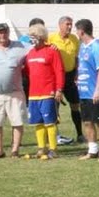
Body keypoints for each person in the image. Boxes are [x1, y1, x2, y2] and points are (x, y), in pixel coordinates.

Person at [24, 24, 64, 159]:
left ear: (41, 37)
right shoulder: (29, 53)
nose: (31, 39)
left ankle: (53, 149)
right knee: (38, 122)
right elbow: (26, 71)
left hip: (48, 92)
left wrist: (59, 89)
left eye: (33, 36)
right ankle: (42, 148)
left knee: (49, 122)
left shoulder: (52, 51)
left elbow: (59, 71)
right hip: (33, 94)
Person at [74, 19, 99, 161]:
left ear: (81, 31)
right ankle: (93, 150)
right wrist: (78, 77)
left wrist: (97, 90)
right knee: (87, 121)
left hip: (96, 92)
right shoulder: (82, 46)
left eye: (77, 30)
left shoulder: (97, 46)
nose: (76, 33)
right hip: (84, 92)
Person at [49, 15, 83, 144]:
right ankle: (55, 137)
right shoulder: (51, 38)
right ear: (60, 25)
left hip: (70, 76)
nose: (70, 27)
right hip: (55, 77)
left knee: (75, 105)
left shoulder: (74, 39)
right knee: (54, 107)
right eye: (67, 24)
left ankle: (80, 134)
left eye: (71, 24)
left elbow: (76, 58)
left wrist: (76, 73)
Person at [0, 22, 28, 158]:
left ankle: (15, 150)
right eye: (0, 32)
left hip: (15, 93)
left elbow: (36, 49)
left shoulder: (20, 47)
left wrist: (51, 46)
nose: (3, 34)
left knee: (17, 121)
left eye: (5, 32)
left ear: (9, 32)